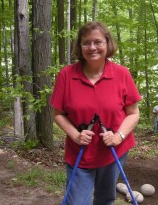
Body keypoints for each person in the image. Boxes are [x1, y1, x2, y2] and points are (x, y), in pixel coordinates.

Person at [50, 21, 141, 205]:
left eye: (98, 42)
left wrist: (119, 136)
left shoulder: (122, 74)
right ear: (80, 46)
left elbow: (133, 113)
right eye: (86, 43)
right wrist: (75, 135)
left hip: (113, 152)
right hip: (80, 153)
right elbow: (58, 113)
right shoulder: (66, 75)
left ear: (108, 44)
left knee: (105, 200)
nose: (92, 47)